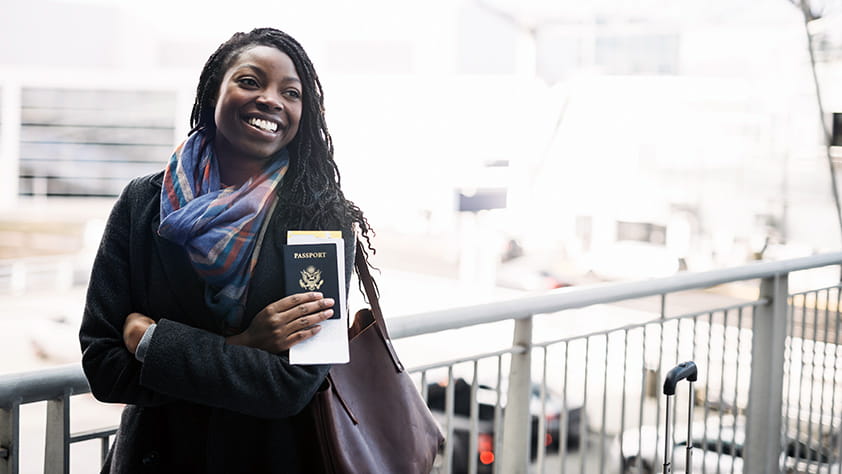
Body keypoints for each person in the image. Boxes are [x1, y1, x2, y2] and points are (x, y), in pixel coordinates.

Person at [79, 27, 374, 473]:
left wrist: (153, 344)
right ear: (214, 91)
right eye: (250, 81)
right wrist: (246, 343)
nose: (271, 99)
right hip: (157, 458)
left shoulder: (318, 219)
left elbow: (292, 386)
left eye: (290, 92)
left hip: (268, 460)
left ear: (303, 112)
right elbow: (104, 367)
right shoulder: (143, 203)